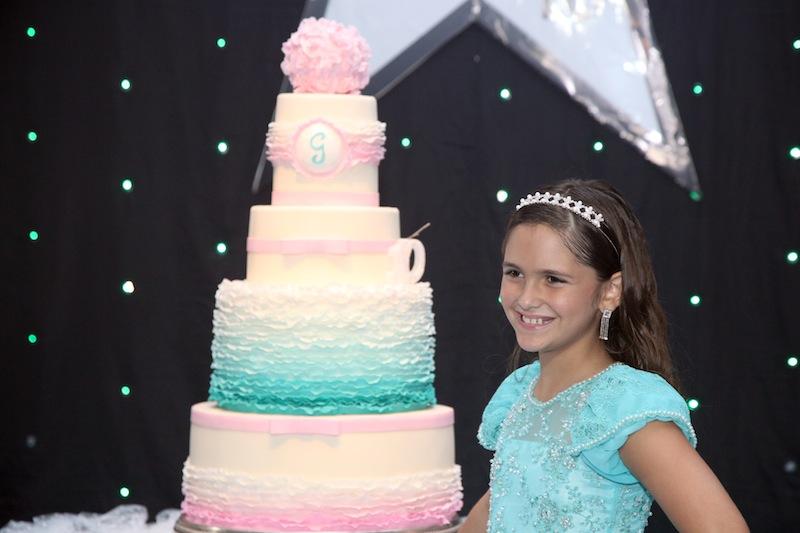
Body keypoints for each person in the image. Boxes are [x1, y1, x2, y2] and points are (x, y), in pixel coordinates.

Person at [459, 179, 748, 532]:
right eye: (515, 273)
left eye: (553, 279)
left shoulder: (624, 408)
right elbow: (506, 505)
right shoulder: (522, 392)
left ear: (610, 291)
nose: (526, 298)